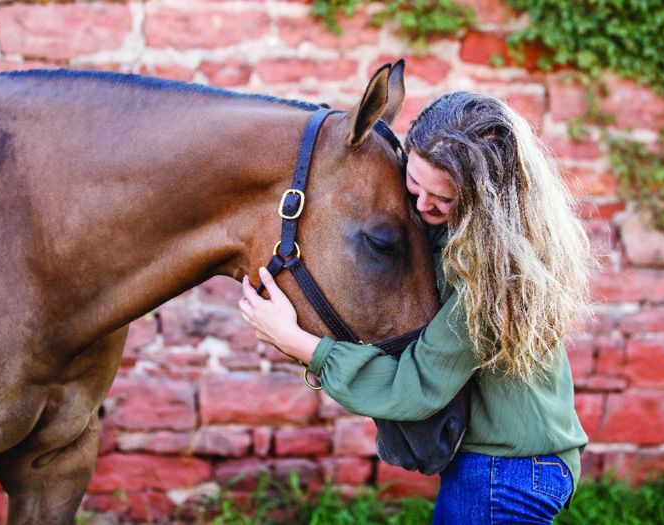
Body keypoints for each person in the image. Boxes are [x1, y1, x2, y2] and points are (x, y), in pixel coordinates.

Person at [238, 91, 592, 524]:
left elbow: (418, 385)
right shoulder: (468, 239)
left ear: (485, 199)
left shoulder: (492, 278)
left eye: (442, 200)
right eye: (414, 183)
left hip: (506, 473)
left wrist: (298, 342)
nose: (423, 206)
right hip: (513, 466)